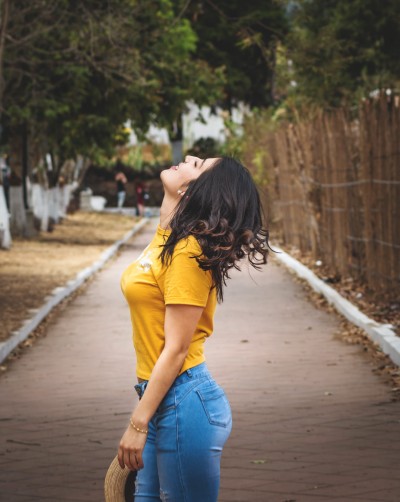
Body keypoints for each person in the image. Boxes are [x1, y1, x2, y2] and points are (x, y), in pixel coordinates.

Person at [118, 156, 272, 501]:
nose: (187, 158)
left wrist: (137, 423)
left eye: (198, 164)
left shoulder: (187, 252)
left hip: (183, 401)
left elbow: (176, 349)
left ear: (197, 189)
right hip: (159, 397)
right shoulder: (167, 238)